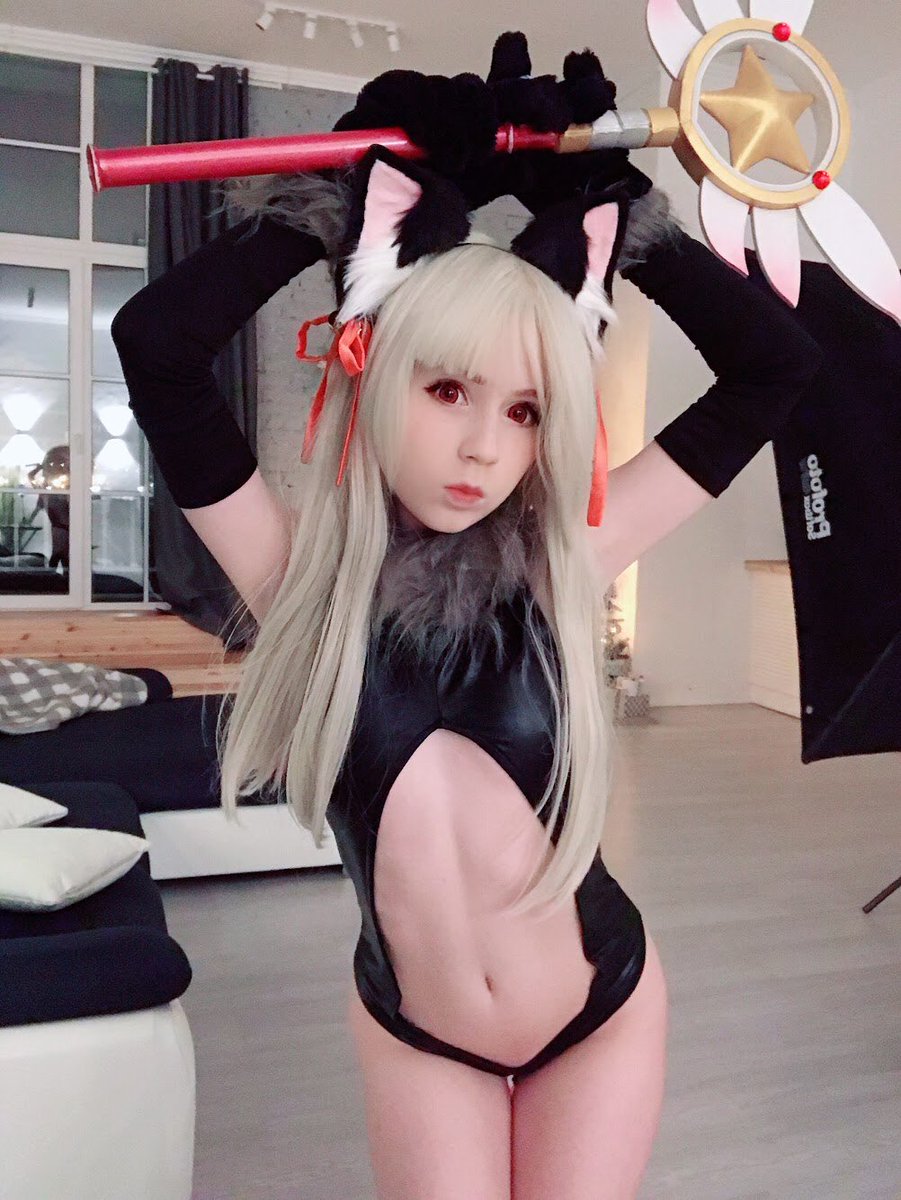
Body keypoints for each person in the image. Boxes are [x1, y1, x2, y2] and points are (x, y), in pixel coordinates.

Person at [112, 34, 822, 1200]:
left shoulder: (559, 564)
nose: (485, 446)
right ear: (372, 367)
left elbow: (773, 366)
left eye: (526, 410)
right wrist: (330, 195)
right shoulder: (302, 583)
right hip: (417, 1030)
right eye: (447, 389)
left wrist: (615, 207)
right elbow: (157, 346)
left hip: (595, 1009)